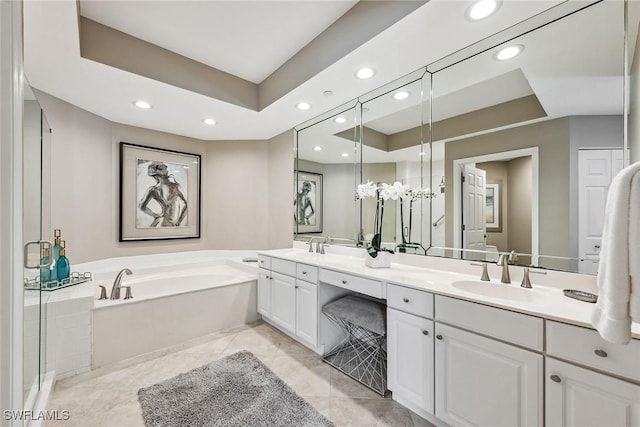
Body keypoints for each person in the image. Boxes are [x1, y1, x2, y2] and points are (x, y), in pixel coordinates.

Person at [138, 161, 188, 227]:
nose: (167, 169)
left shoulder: (153, 189)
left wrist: (156, 215)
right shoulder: (176, 186)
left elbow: (142, 206)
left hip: (162, 222)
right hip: (168, 223)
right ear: (159, 172)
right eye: (164, 168)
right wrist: (179, 221)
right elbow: (187, 205)